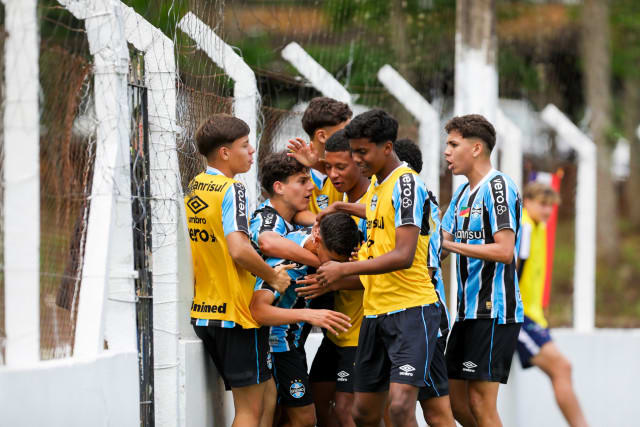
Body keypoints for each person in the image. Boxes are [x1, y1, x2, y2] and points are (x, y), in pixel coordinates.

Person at [315, 109, 441, 427]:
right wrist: (341, 206)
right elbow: (375, 210)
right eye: (353, 152)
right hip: (375, 314)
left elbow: (404, 254)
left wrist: (343, 270)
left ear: (387, 147)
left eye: (362, 151)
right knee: (362, 413)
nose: (357, 159)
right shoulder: (377, 185)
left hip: (411, 310)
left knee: (400, 408)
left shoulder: (407, 184)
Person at [184, 114, 293, 427]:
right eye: (245, 145)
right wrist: (272, 276)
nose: (252, 151)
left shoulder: (196, 185)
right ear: (225, 153)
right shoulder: (232, 189)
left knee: (268, 394)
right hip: (236, 315)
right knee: (249, 412)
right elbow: (239, 249)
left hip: (205, 312)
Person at [440, 114, 523, 427]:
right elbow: (440, 244)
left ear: (476, 148)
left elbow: (504, 251)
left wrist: (453, 246)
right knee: (454, 401)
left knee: (479, 402)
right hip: (465, 313)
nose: (446, 151)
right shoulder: (462, 194)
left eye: (453, 144)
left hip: (494, 311)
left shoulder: (498, 187)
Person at [250, 213, 359, 427]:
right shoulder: (287, 264)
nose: (336, 269)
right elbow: (258, 310)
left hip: (293, 342)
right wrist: (308, 315)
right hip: (279, 345)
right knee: (305, 419)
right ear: (317, 240)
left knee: (283, 416)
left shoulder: (321, 238)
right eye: (333, 261)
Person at [293, 129, 370, 427]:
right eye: (329, 167)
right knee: (319, 406)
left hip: (360, 330)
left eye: (341, 167)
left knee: (350, 412)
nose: (333, 175)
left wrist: (333, 279)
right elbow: (313, 217)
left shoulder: (377, 202)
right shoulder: (333, 192)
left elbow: (382, 272)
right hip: (335, 329)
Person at [394, 138, 456, 427]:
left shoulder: (418, 201)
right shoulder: (405, 198)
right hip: (402, 312)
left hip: (421, 314)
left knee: (433, 411)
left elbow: (428, 265)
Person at [517, 182, 588, 427]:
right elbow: (512, 273)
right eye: (542, 204)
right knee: (562, 367)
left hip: (534, 316)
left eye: (550, 206)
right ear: (526, 201)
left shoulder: (539, 227)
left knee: (563, 369)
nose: (547, 211)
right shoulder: (524, 227)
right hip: (519, 316)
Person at [288, 96, 353, 214]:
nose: (352, 135)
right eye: (345, 131)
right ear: (322, 136)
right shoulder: (292, 165)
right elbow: (288, 212)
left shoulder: (355, 163)